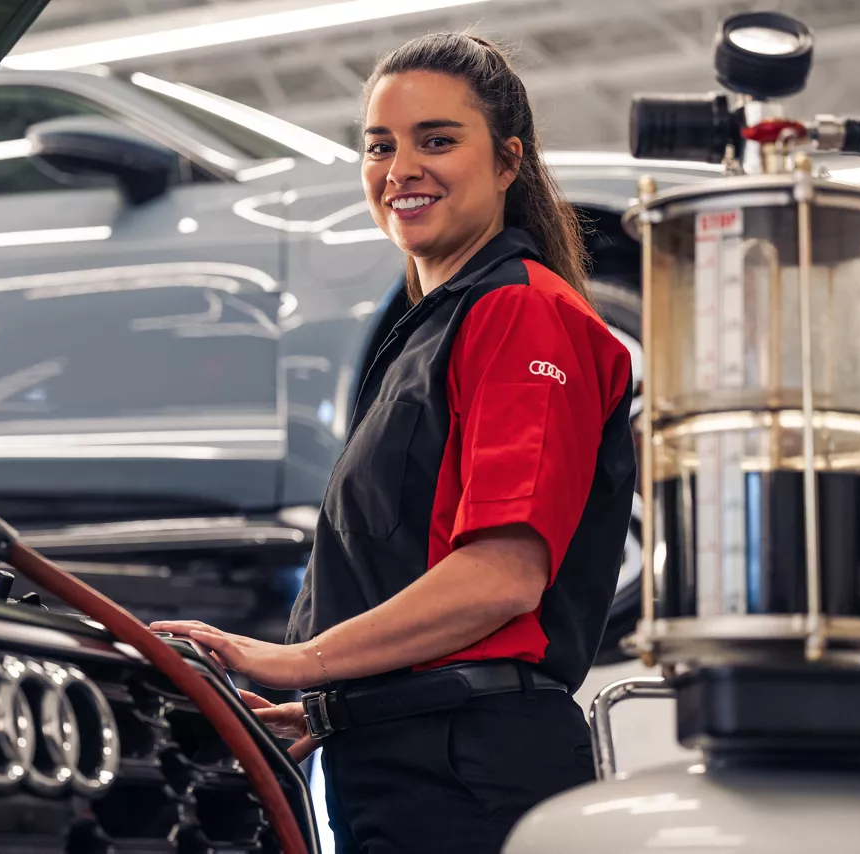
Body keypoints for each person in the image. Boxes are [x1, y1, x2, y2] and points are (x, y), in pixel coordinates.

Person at [152, 31, 636, 854]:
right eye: (380, 147)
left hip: (473, 768)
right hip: (401, 759)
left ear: (508, 161)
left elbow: (501, 576)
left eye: (437, 141)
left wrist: (301, 661)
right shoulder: (424, 337)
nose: (401, 169)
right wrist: (329, 703)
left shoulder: (522, 312)